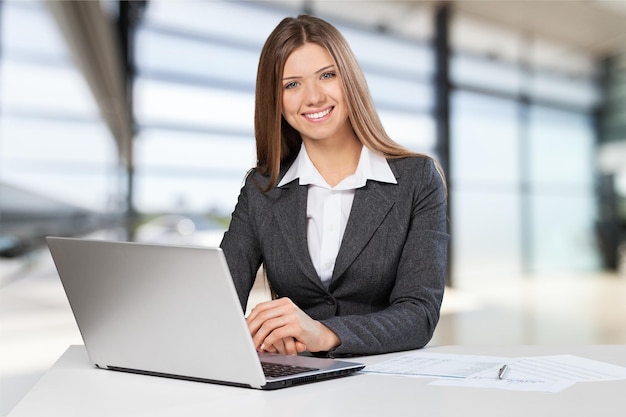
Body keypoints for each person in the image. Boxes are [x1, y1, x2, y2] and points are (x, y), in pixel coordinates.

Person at [220, 14, 448, 358]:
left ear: (350, 81)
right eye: (291, 84)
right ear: (276, 101)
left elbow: (419, 314)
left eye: (327, 76)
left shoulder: (417, 180)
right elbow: (218, 301)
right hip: (296, 381)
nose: (312, 97)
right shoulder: (261, 190)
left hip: (387, 382)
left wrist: (323, 333)